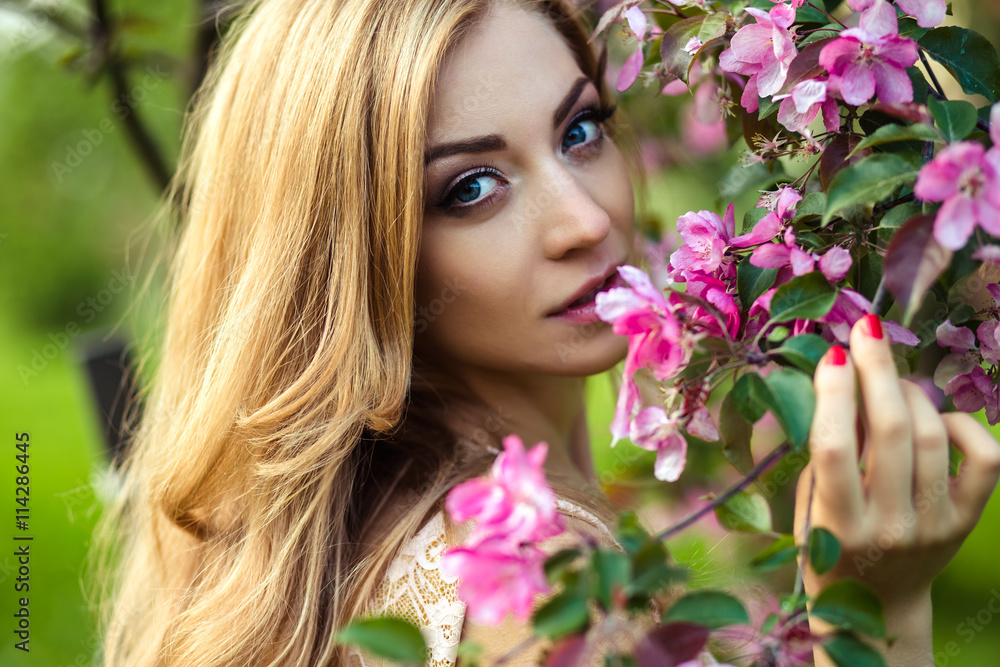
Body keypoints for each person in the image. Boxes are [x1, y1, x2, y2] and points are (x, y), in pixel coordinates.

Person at [89, 0, 1000, 665]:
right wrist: (873, 612)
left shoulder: (367, 547)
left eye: (580, 129)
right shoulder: (539, 585)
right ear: (359, 264)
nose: (584, 220)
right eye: (472, 188)